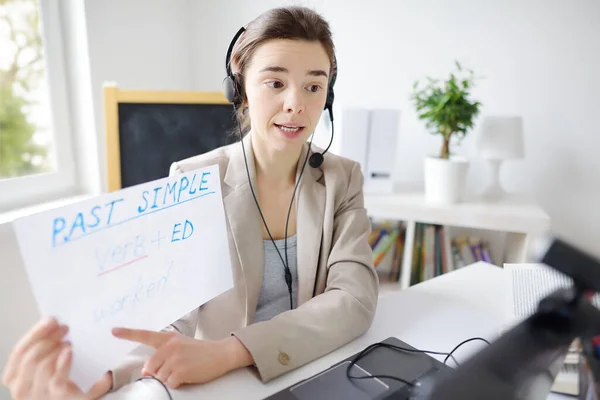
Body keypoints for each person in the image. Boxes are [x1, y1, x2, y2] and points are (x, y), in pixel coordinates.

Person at [1, 5, 379, 399]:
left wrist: (231, 351)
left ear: (327, 97)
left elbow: (353, 299)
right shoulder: (195, 180)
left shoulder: (342, 178)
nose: (295, 104)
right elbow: (168, 314)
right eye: (275, 83)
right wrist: (104, 376)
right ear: (241, 89)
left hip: (313, 371)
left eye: (313, 87)